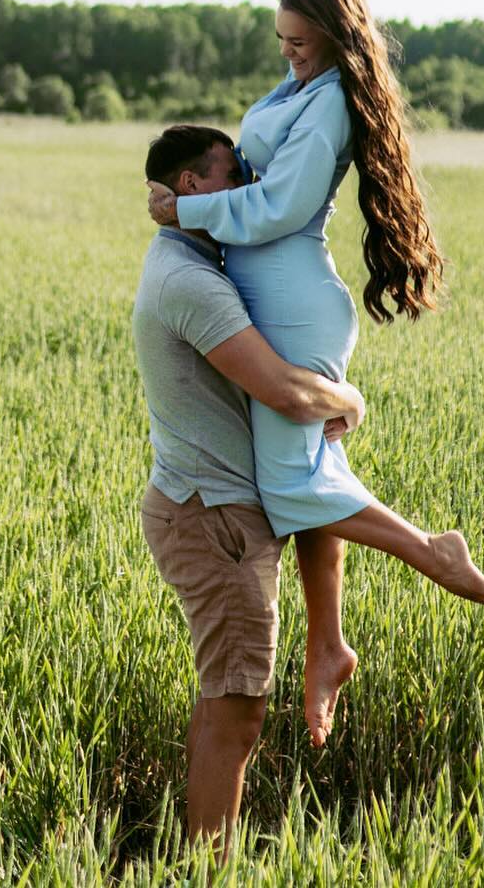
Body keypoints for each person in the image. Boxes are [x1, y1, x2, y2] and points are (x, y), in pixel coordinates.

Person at [147, 0, 484, 750]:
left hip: (294, 296)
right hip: (279, 295)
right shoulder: (307, 73)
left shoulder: (331, 102)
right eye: (284, 44)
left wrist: (185, 217)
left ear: (336, 45)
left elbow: (274, 210)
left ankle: (432, 552)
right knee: (306, 478)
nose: (290, 57)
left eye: (302, 46)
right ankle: (329, 644)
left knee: (292, 484)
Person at [133, 122, 367, 859]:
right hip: (215, 521)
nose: (252, 189)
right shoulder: (192, 281)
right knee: (237, 714)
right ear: (193, 187)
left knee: (223, 703)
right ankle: (209, 870)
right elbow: (286, 394)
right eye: (234, 174)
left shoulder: (200, 262)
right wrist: (347, 399)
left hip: (210, 511)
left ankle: (199, 863)